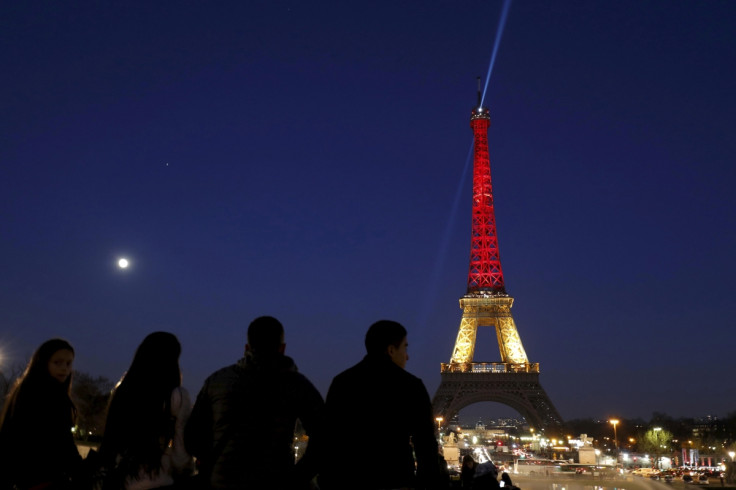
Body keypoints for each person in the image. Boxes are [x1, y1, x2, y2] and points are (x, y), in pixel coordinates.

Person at [185, 316, 324, 489]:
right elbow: (325, 437)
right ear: (282, 348)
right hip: (275, 482)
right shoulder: (297, 385)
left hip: (223, 482)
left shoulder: (217, 381)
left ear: (247, 347)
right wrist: (296, 478)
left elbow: (192, 438)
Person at [318, 320, 441, 490]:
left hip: (348, 483)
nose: (407, 355)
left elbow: (327, 438)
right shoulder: (411, 385)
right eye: (405, 347)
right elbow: (426, 445)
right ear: (391, 350)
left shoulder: (342, 382)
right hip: (395, 481)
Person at [100, 331, 194, 489]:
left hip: (119, 478)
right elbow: (180, 448)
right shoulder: (177, 396)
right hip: (157, 478)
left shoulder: (122, 391)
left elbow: (111, 437)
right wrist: (185, 472)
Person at [0, 338, 82, 489]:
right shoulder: (49, 395)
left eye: (68, 363)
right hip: (43, 478)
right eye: (57, 362)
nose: (64, 368)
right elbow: (61, 441)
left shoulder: (25, 390)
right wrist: (81, 470)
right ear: (43, 362)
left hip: (24, 479)